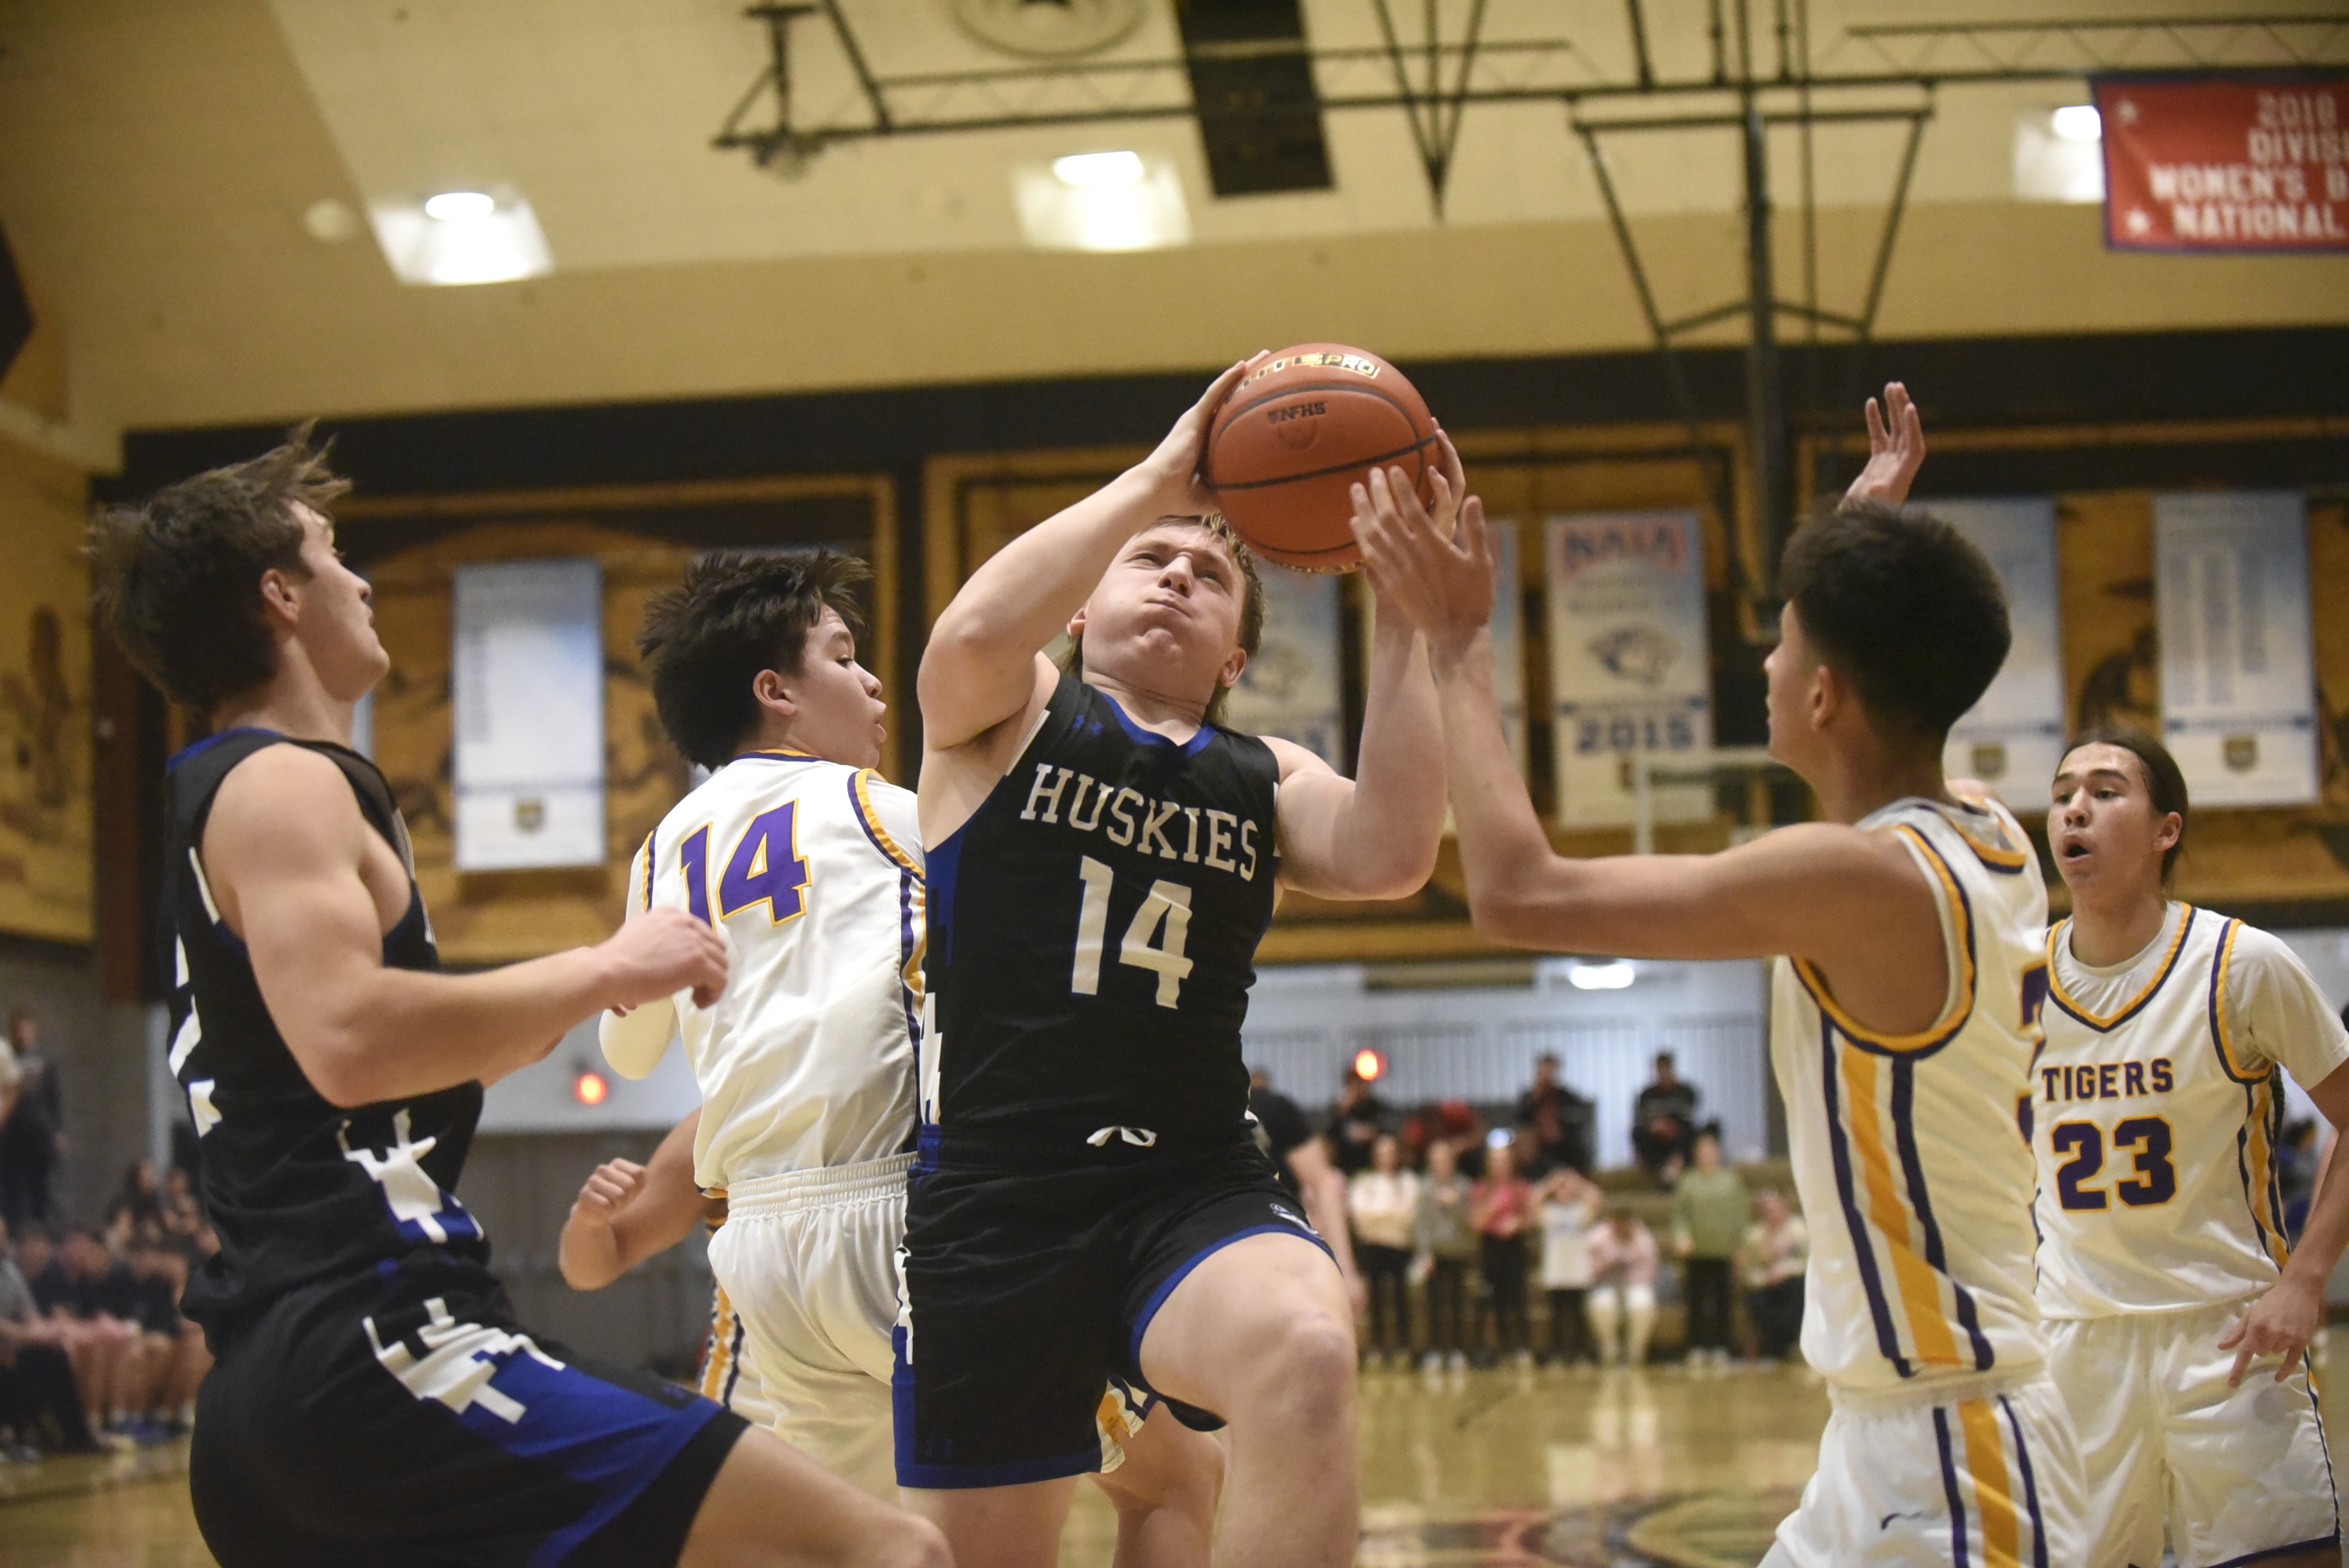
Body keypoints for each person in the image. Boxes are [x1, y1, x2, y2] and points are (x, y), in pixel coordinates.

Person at [90, 431, 946, 1568]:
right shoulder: (280, 779)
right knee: (891, 1552)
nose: (362, 580)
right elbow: (350, 1040)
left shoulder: (242, 793)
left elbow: (391, 1061)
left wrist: (562, 1029)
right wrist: (605, 967)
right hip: (385, 1346)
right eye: (334, 555)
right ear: (279, 595)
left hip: (280, 1381)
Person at [1354, 381, 2086, 1562]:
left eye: (1786, 640)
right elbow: (1899, 667)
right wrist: (1863, 542)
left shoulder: (1862, 881)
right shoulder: (1993, 834)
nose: (1762, 657)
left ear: (1825, 694)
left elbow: (1519, 893)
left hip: (1958, 1458)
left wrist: (1460, 644)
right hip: (1903, 1436)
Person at [904, 357, 1455, 1566]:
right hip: (1001, 1190)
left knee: (1307, 1351)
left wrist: (1407, 614)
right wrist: (1161, 479)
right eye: (1150, 561)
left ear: (1236, 660)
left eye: (1209, 577)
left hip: (1190, 1178)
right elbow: (972, 633)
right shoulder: (1012, 712)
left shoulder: (1265, 774)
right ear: (1082, 609)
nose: (1178, 577)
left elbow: (1394, 852)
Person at [561, 1112, 1226, 1568]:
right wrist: (590, 1223)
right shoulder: (743, 1100)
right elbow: (593, 1261)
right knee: (1177, 1477)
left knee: (1180, 1474)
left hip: (898, 1337)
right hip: (787, 1395)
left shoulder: (904, 1049)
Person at [2036, 729, 2349, 1568]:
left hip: (2229, 1336)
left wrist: (2305, 1278)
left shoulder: (2241, 963)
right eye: (2063, 790)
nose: (2074, 806)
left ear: (2164, 829)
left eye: (2105, 790)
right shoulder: (2012, 981)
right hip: (2072, 1344)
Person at [0, 1214, 98, 1456]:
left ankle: (77, 1436)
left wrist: (49, 1334)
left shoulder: (9, 1269)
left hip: (12, 1344)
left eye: (3, 1236)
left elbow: (30, 1314)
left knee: (56, 1354)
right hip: (7, 1344)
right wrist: (29, 1336)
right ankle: (12, 1432)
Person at [1670, 1131, 1750, 1368]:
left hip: (1724, 1251)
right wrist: (1682, 1237)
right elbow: (1679, 1215)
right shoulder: (1688, 1181)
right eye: (1701, 1152)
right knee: (1696, 1302)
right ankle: (1696, 1347)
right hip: (1696, 1253)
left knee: (1723, 1302)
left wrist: (1741, 1247)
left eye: (1710, 1151)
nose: (1706, 1156)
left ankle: (1722, 1347)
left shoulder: (1731, 1181)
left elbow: (1741, 1216)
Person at [1347, 1133, 1419, 1366]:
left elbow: (1408, 1214)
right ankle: (1378, 1347)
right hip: (1373, 1246)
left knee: (1401, 1298)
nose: (1386, 1158)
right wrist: (1388, 1219)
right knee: (1376, 1299)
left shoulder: (1408, 1181)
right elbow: (1360, 1216)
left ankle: (1404, 1347)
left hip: (1400, 1246)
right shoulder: (1364, 1182)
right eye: (1382, 1153)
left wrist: (1380, 1219)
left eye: (1390, 1153)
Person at [1413, 1139, 1477, 1374]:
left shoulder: (1464, 1187)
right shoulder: (1424, 1188)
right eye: (1436, 1160)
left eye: (1445, 1159)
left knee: (1458, 1304)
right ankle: (1436, 1350)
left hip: (1458, 1252)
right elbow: (1421, 1224)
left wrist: (1457, 1205)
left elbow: (1471, 1221)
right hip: (1434, 1255)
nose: (1441, 1164)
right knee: (1434, 1306)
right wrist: (1424, 1253)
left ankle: (1459, 1350)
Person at [1470, 1139, 1536, 1363]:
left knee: (1517, 1297)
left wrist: (1517, 1223)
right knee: (1494, 1299)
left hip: (1515, 1245)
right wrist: (1493, 1208)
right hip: (1492, 1245)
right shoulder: (1481, 1189)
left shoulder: (1521, 1187)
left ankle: (1522, 1347)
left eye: (1504, 1160)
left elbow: (1531, 1219)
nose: (1500, 1165)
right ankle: (1501, 1347)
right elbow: (1476, 1223)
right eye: (1496, 1161)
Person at [0, 1012, 64, 1232]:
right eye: (18, 1030)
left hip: (39, 1130)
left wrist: (58, 1130)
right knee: (13, 1185)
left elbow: (54, 1096)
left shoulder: (45, 1059)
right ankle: (15, 1228)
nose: (22, 1034)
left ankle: (42, 1229)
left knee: (41, 1185)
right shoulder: (8, 1056)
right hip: (12, 1131)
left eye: (26, 1029)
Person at [1534, 1165, 1601, 1366]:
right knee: (1557, 1316)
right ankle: (1558, 1352)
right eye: (1560, 1189)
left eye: (1566, 1188)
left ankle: (1581, 1353)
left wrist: (1576, 1182)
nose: (1564, 1191)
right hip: (1556, 1271)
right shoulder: (1549, 1212)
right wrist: (1551, 1183)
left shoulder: (1581, 1210)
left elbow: (1597, 1198)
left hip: (1578, 1272)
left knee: (1579, 1316)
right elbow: (1532, 1200)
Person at [1585, 1210, 1660, 1369]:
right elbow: (1589, 1271)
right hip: (1605, 1284)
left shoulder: (1643, 1238)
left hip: (1635, 1284)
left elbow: (1650, 1271)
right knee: (1602, 1305)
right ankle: (1609, 1349)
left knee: (1642, 1303)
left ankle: (1636, 1350)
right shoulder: (1598, 1237)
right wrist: (1607, 1263)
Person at [1741, 1188, 1809, 1363]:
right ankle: (1774, 1348)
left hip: (1793, 1282)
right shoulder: (1754, 1235)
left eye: (1775, 1209)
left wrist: (1786, 1271)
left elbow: (1809, 1262)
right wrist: (1766, 1277)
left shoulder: (1799, 1230)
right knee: (1756, 1301)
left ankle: (1796, 1345)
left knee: (1799, 1294)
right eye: (1767, 1211)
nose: (1772, 1215)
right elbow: (1748, 1272)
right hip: (1765, 1286)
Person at [1516, 1052, 1592, 1177]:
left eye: (1551, 1071)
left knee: (1577, 1146)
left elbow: (1578, 1113)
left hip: (1563, 1142)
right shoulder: (1529, 1097)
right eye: (1544, 1070)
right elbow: (1520, 1118)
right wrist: (1536, 1097)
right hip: (1537, 1144)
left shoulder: (1566, 1096)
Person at [1630, 1052, 1699, 1185]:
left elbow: (1690, 1117)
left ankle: (1677, 1164)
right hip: (1656, 1141)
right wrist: (1656, 1127)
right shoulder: (1646, 1096)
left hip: (1679, 1140)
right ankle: (1660, 1167)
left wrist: (1672, 1127)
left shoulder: (1686, 1092)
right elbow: (1640, 1121)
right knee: (1637, 1133)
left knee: (1694, 1131)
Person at [1324, 1070, 1390, 1176]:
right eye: (1354, 1085)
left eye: (1361, 1084)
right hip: (1345, 1163)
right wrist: (1341, 1113)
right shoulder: (1338, 1111)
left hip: (1371, 1162)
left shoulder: (1377, 1108)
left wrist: (1372, 1133)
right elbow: (1327, 1134)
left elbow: (1388, 1128)